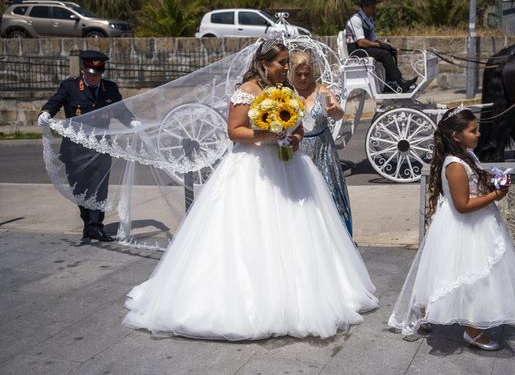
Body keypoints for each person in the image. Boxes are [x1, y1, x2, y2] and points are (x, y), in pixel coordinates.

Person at [123, 38, 378, 340]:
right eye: (282, 63)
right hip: (252, 167)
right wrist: (267, 135)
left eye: (287, 63)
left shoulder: (286, 92)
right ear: (265, 63)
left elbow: (297, 125)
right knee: (251, 229)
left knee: (297, 229)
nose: (287, 68)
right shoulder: (246, 93)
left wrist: (293, 137)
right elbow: (234, 131)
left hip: (289, 167)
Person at [387, 107, 515, 350]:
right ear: (456, 136)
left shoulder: (467, 156)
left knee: (457, 274)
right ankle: (472, 331)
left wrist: (493, 182)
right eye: (473, 130)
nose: (479, 134)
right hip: (465, 227)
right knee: (472, 279)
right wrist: (496, 195)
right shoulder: (454, 165)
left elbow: (474, 185)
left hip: (477, 224)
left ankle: (430, 312)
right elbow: (462, 205)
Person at [38, 50, 136, 243]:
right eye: (91, 74)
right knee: (79, 190)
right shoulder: (70, 87)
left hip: (101, 148)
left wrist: (132, 122)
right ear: (83, 70)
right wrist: (46, 112)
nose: (94, 78)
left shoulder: (110, 89)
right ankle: (88, 224)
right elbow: (55, 102)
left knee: (99, 189)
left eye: (97, 74)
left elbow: (121, 110)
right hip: (75, 150)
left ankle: (96, 227)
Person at [289, 50, 353, 236]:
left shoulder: (321, 90)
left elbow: (339, 112)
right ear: (291, 72)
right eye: (298, 74)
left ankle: (336, 236)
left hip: (323, 150)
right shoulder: (286, 93)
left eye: (306, 74)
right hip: (298, 151)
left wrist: (334, 111)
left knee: (330, 193)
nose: (302, 78)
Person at [345, 0, 417, 93]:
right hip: (356, 50)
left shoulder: (369, 20)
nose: (374, 10)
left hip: (365, 48)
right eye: (372, 7)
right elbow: (361, 42)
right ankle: (399, 82)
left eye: (375, 7)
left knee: (390, 51)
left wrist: (384, 44)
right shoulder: (356, 19)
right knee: (384, 54)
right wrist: (379, 45)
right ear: (364, 7)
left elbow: (373, 40)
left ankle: (391, 83)